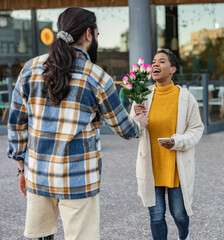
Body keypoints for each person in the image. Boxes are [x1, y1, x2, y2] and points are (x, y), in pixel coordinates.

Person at [7, 7, 147, 240]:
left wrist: (21, 168)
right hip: (79, 178)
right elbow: (124, 129)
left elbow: (16, 124)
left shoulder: (30, 69)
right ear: (89, 34)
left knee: (41, 236)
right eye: (97, 35)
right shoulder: (97, 77)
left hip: (38, 174)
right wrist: (139, 122)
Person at [130, 49, 204, 240]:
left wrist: (178, 142)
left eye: (161, 61)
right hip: (152, 165)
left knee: (179, 214)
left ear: (172, 69)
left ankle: (183, 236)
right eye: (153, 61)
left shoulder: (186, 98)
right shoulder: (142, 97)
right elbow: (132, 129)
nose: (155, 65)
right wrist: (136, 116)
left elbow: (196, 128)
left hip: (176, 166)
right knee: (156, 215)